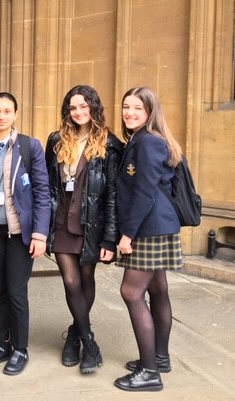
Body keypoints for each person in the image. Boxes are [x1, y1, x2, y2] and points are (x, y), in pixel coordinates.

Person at [0, 92, 51, 376]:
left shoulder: (30, 146)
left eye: (7, 111)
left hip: (19, 233)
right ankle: (2, 344)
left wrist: (40, 234)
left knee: (16, 291)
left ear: (15, 114)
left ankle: (20, 349)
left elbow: (42, 191)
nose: (1, 116)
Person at [45, 85, 123, 374]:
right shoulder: (55, 140)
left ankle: (75, 334)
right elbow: (48, 188)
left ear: (93, 108)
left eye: (83, 107)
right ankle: (89, 342)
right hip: (62, 221)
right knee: (70, 281)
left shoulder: (109, 144)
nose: (78, 112)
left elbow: (112, 194)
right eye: (73, 107)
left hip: (92, 223)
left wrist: (110, 238)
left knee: (86, 277)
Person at [113, 87, 183, 392]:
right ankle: (160, 357)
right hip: (158, 226)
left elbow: (143, 193)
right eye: (126, 107)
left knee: (131, 293)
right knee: (158, 288)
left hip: (147, 228)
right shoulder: (143, 139)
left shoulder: (148, 143)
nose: (129, 113)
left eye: (137, 109)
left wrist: (127, 235)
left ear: (150, 112)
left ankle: (149, 372)